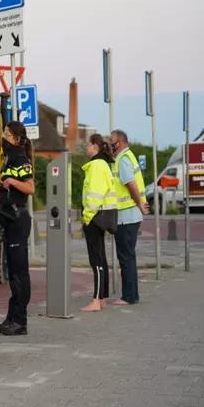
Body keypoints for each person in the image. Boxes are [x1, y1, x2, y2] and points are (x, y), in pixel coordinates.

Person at [0, 122, 35, 336]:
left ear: (17, 139)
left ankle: (20, 321)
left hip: (18, 219)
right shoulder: (9, 158)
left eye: (8, 134)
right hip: (9, 218)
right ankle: (12, 317)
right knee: (12, 271)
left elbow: (30, 187)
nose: (4, 137)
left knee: (19, 272)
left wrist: (11, 181)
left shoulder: (20, 158)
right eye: (4, 133)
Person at [109, 130, 148, 306]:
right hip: (131, 214)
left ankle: (128, 297)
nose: (110, 145)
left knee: (125, 257)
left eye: (112, 142)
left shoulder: (123, 159)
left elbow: (131, 185)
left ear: (121, 142)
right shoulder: (130, 156)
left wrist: (139, 203)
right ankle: (133, 295)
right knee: (129, 256)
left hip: (126, 215)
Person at [80, 133, 117, 313]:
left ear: (94, 146)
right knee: (100, 257)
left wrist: (87, 217)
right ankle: (101, 298)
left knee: (96, 260)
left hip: (95, 218)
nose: (86, 148)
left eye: (88, 145)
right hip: (100, 217)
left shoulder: (96, 165)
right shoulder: (102, 165)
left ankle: (96, 300)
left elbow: (95, 194)